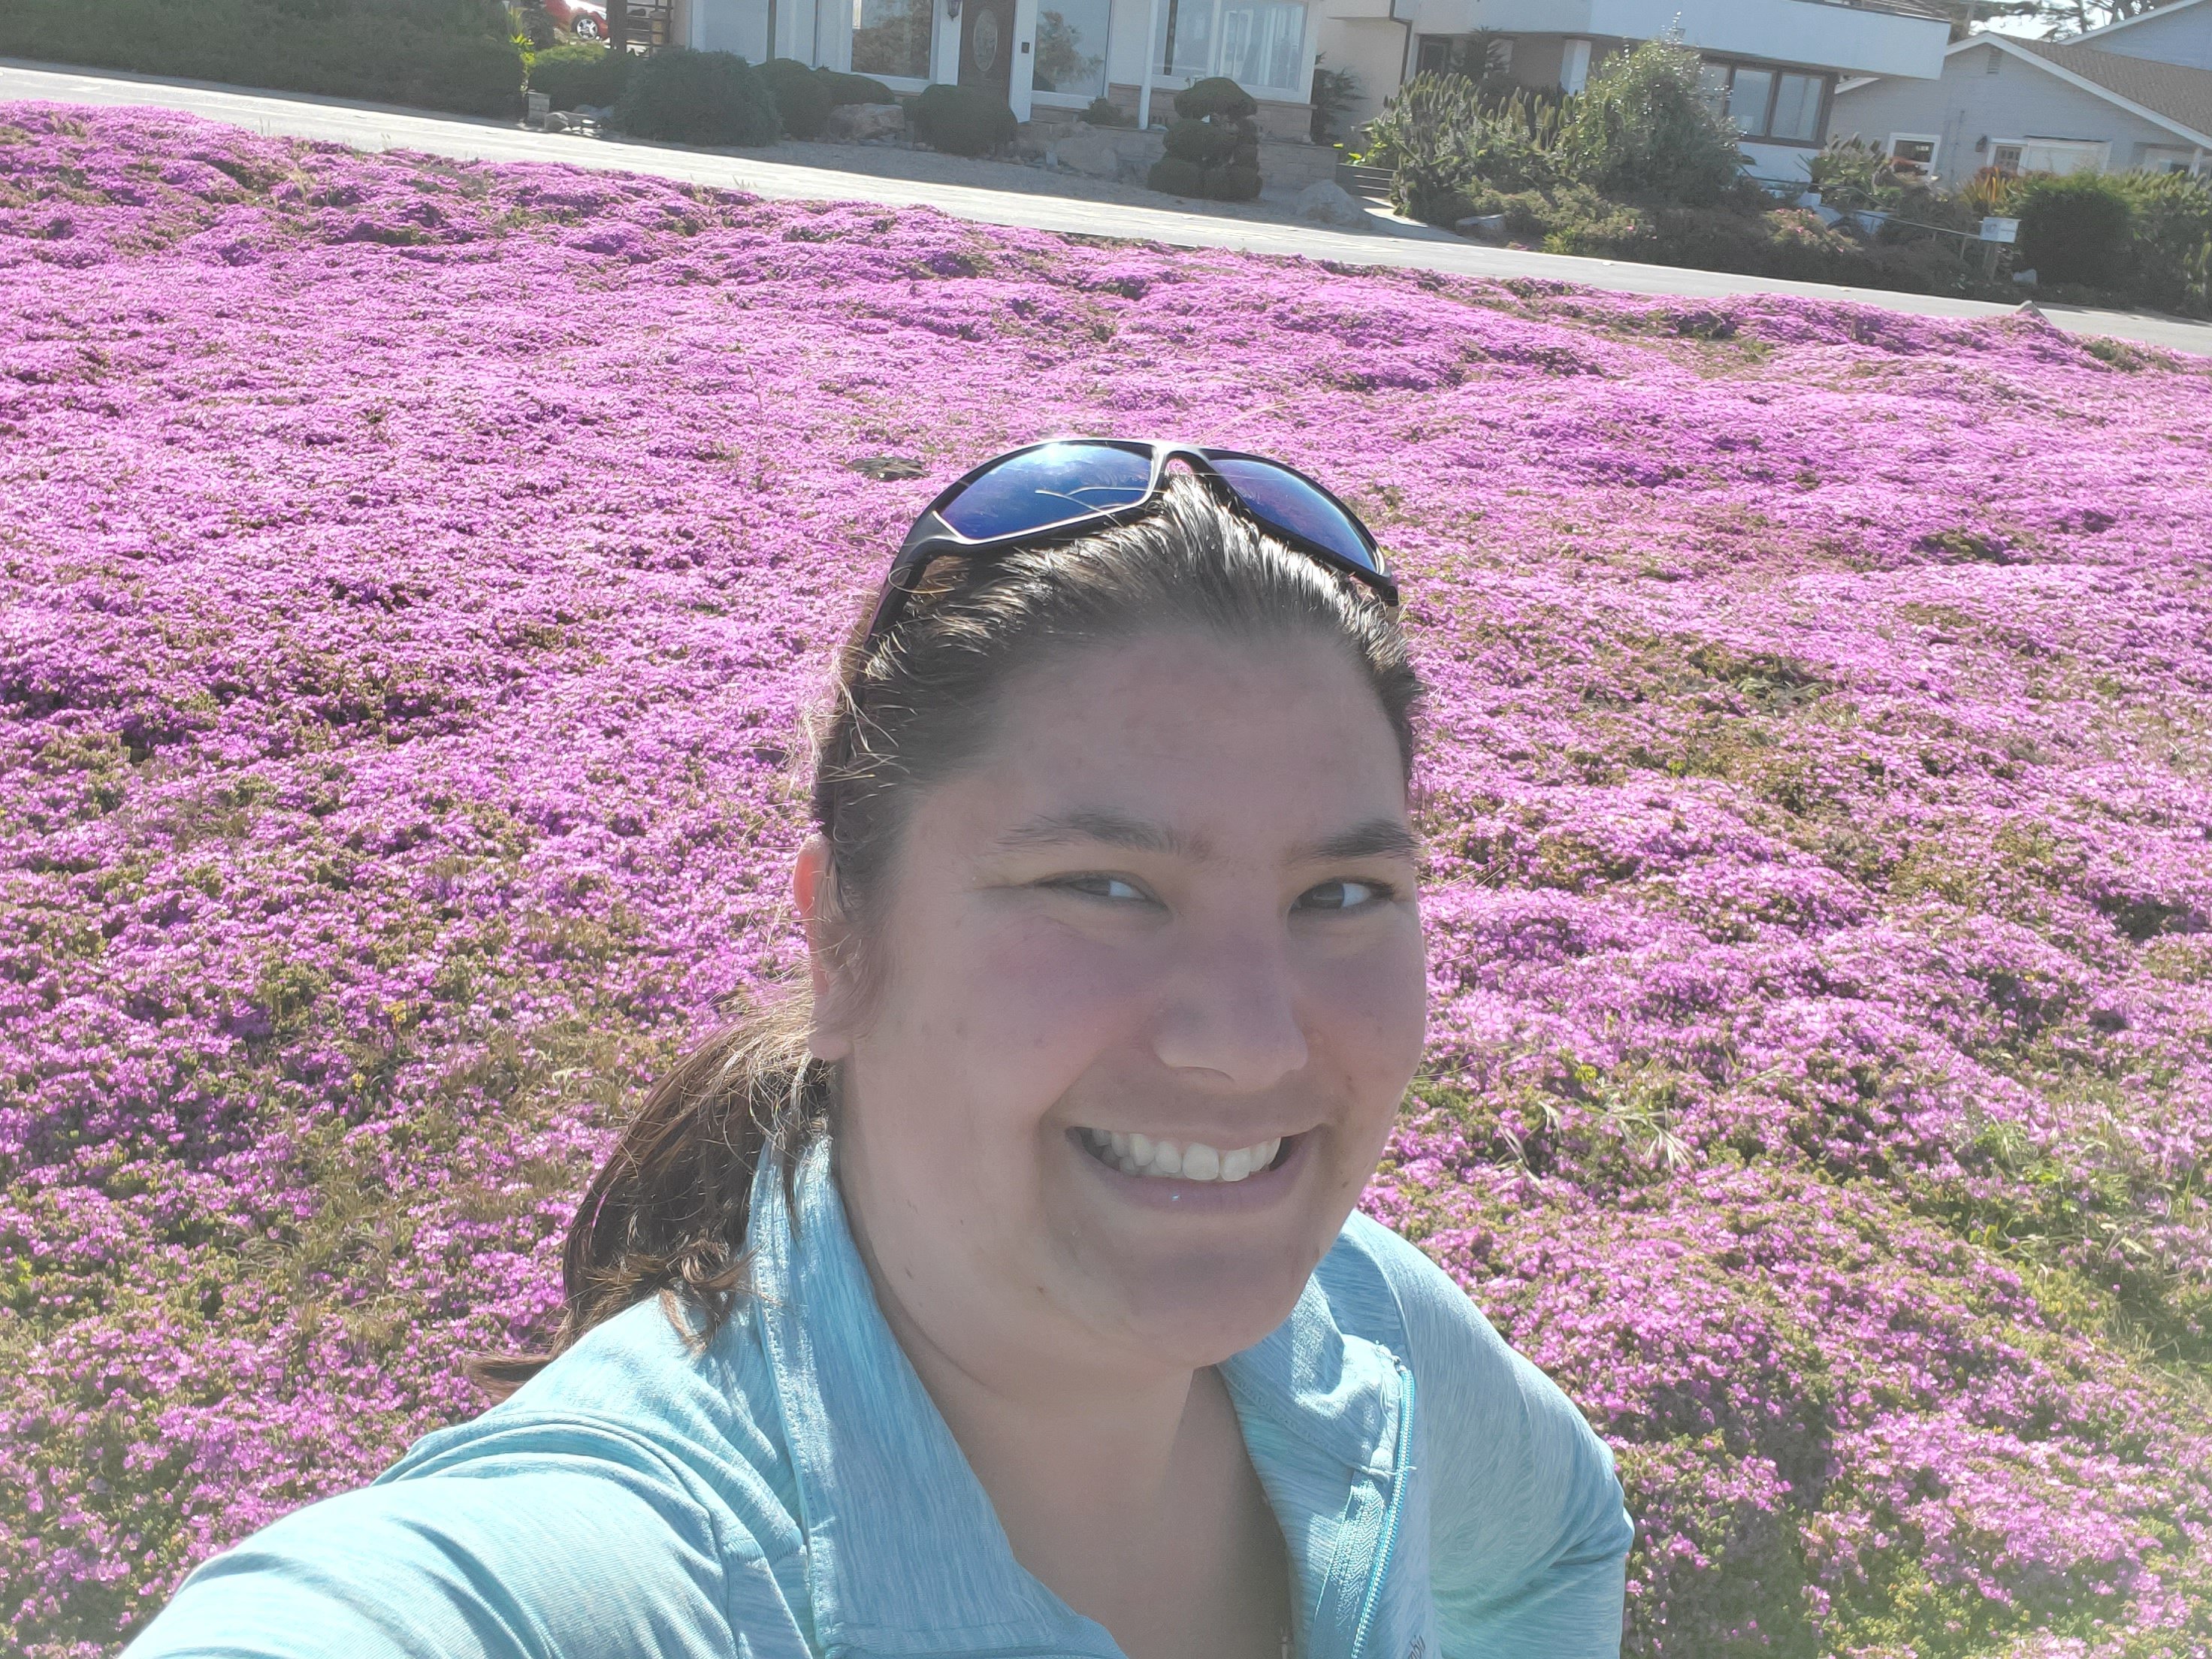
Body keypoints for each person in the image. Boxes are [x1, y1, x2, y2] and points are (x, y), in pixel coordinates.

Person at [127, 441, 1634, 1659]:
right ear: (839, 942)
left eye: (1341, 895)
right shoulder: (631, 1570)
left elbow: (1566, 1535)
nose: (1243, 1043)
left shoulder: (1364, 1323)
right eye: (1104, 887)